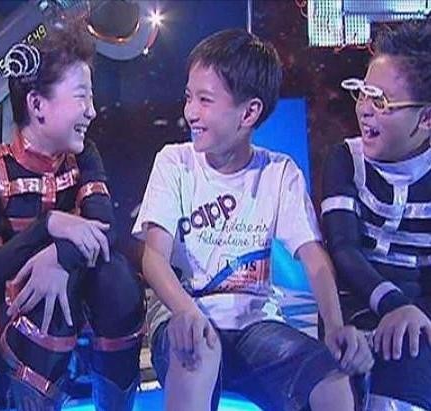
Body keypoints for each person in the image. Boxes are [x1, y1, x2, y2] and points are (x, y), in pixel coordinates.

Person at [132, 28, 373, 411]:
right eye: (189, 97)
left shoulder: (279, 172)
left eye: (205, 100)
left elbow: (314, 260)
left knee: (333, 379)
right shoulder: (174, 162)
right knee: (197, 351)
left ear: (249, 112)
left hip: (256, 324)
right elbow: (154, 258)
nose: (190, 112)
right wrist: (186, 311)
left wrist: (334, 327)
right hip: (184, 314)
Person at [0, 25, 145, 411]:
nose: (92, 110)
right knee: (46, 300)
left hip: (81, 296)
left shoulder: (84, 155)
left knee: (117, 280)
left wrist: (59, 258)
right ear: (37, 105)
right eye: (82, 96)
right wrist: (47, 226)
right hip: (17, 320)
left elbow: (104, 231)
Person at [321, 17, 431, 411]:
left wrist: (415, 314)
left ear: (426, 118)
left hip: (419, 315)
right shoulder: (345, 160)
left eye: (381, 102)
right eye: (363, 93)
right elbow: (343, 249)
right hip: (352, 307)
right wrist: (393, 305)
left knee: (410, 353)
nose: (365, 110)